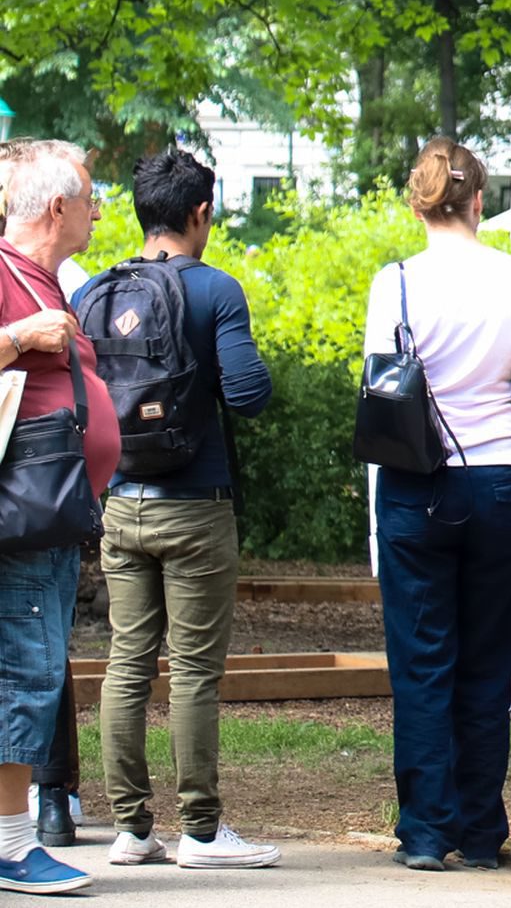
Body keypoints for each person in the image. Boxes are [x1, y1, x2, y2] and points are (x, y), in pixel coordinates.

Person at [77, 151, 279, 870]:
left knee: (126, 662)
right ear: (200, 213)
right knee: (193, 670)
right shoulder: (216, 290)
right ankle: (200, 832)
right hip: (196, 508)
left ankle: (131, 828)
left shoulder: (95, 294)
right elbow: (251, 394)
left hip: (120, 504)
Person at [360, 138, 511, 872]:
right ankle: (481, 826)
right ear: (480, 201)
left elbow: (380, 377)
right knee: (488, 657)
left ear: (418, 202)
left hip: (416, 479)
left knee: (421, 659)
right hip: (502, 477)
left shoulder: (396, 281)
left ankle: (425, 829)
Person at [0, 140, 117, 896]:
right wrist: (20, 337)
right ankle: (12, 847)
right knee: (24, 676)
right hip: (24, 518)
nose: (98, 208)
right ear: (56, 208)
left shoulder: (41, 278)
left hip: (44, 518)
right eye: (88, 195)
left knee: (29, 673)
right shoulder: (9, 278)